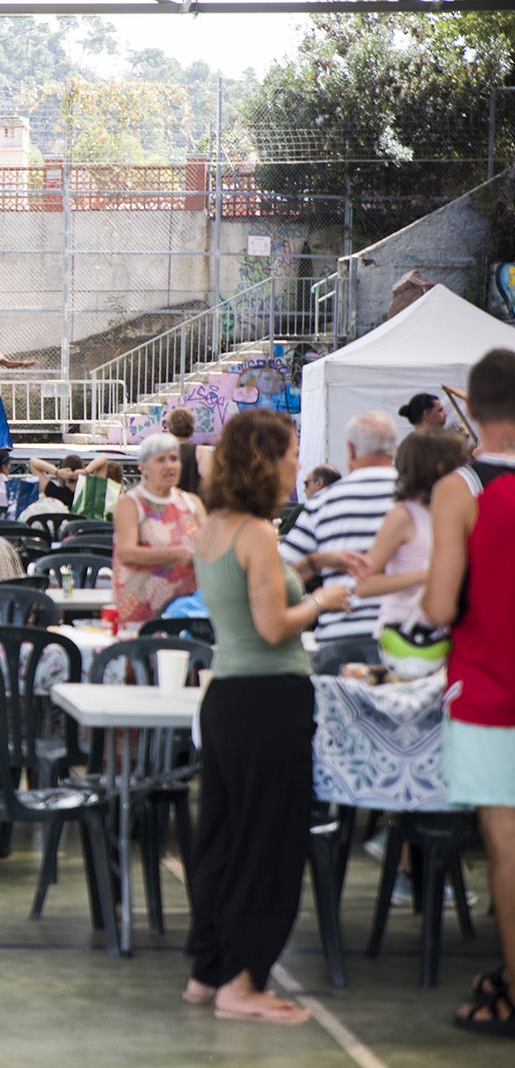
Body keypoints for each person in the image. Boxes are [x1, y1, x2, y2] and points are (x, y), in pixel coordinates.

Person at [185, 407, 352, 1026]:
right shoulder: (257, 531)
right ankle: (244, 980)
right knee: (269, 844)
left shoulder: (216, 526)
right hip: (269, 700)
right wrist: (322, 598)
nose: (296, 466)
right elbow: (274, 623)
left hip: (229, 696)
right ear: (266, 460)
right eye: (290, 455)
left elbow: (246, 592)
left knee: (223, 838)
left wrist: (309, 566)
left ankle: (209, 971)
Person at [419, 350, 515, 1037]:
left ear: (471, 410)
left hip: (490, 688)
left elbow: (439, 604)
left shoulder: (463, 488)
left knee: (507, 845)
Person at [280, 411, 396, 645]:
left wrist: (316, 566)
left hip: (339, 637)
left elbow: (279, 572)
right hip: (407, 641)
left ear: (351, 450)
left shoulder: (322, 502)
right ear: (394, 449)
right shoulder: (423, 498)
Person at [353, 429, 468, 631]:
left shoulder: (455, 511)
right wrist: (428, 575)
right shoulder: (403, 516)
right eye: (460, 463)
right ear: (440, 468)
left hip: (448, 632)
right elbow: (365, 585)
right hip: (408, 634)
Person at [112, 432, 204, 626]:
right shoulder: (131, 503)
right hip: (141, 610)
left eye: (174, 459)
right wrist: (175, 554)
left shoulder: (191, 502)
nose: (169, 465)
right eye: (161, 460)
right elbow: (126, 553)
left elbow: (212, 544)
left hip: (185, 611)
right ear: (143, 467)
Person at [279, 464, 342, 536]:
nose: (304, 490)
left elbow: (281, 536)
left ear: (319, 483)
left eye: (306, 484)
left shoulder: (305, 509)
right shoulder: (344, 509)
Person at [166, 409, 213, 495]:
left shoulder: (161, 453)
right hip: (193, 504)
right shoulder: (200, 452)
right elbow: (211, 480)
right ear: (191, 428)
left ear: (169, 428)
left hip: (168, 504)